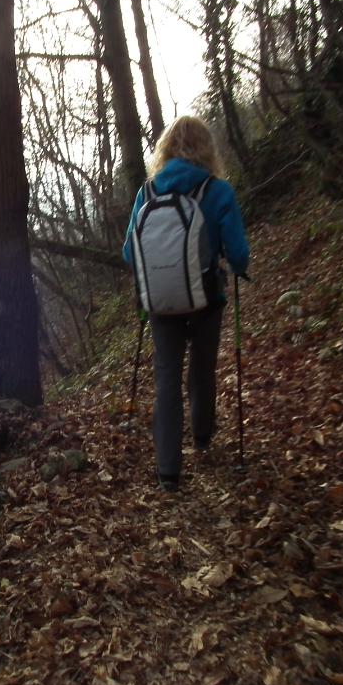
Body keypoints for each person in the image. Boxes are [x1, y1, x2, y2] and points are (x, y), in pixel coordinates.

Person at [122, 116, 249, 491]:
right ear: (206, 148)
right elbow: (239, 255)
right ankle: (202, 433)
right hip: (207, 298)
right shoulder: (218, 190)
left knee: (165, 380)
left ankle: (168, 472)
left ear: (165, 150)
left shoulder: (147, 193)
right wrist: (234, 265)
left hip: (161, 303)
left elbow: (131, 251)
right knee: (202, 366)